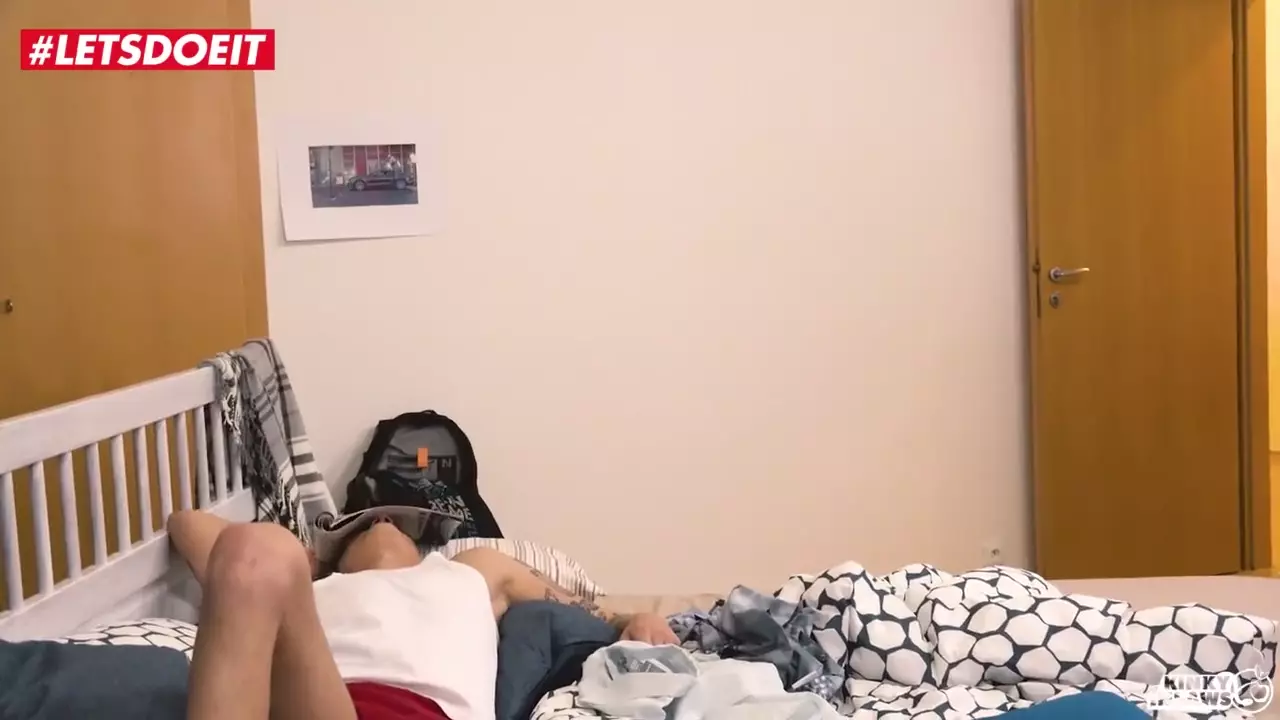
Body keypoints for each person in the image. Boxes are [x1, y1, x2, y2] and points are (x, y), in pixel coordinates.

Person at [167, 510, 678, 720]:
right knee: (254, 548)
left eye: (393, 518)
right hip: (316, 706)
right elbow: (186, 524)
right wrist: (303, 563)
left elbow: (587, 604)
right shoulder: (304, 587)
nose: (383, 520)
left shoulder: (470, 569)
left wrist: (630, 621)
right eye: (362, 522)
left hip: (425, 714)